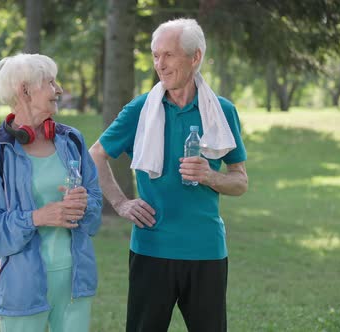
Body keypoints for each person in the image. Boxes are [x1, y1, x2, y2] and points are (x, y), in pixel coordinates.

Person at [89, 18, 248, 332]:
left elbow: (240, 181)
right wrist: (121, 203)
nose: (159, 64)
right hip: (151, 248)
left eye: (169, 55)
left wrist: (210, 176)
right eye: (155, 55)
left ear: (195, 57)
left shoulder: (222, 111)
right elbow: (95, 155)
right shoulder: (140, 110)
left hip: (206, 250)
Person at [0, 53, 102, 332]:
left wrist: (85, 203)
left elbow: (96, 207)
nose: (59, 90)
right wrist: (37, 217)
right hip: (22, 289)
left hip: (76, 283)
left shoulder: (72, 141)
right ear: (24, 90)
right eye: (50, 83)